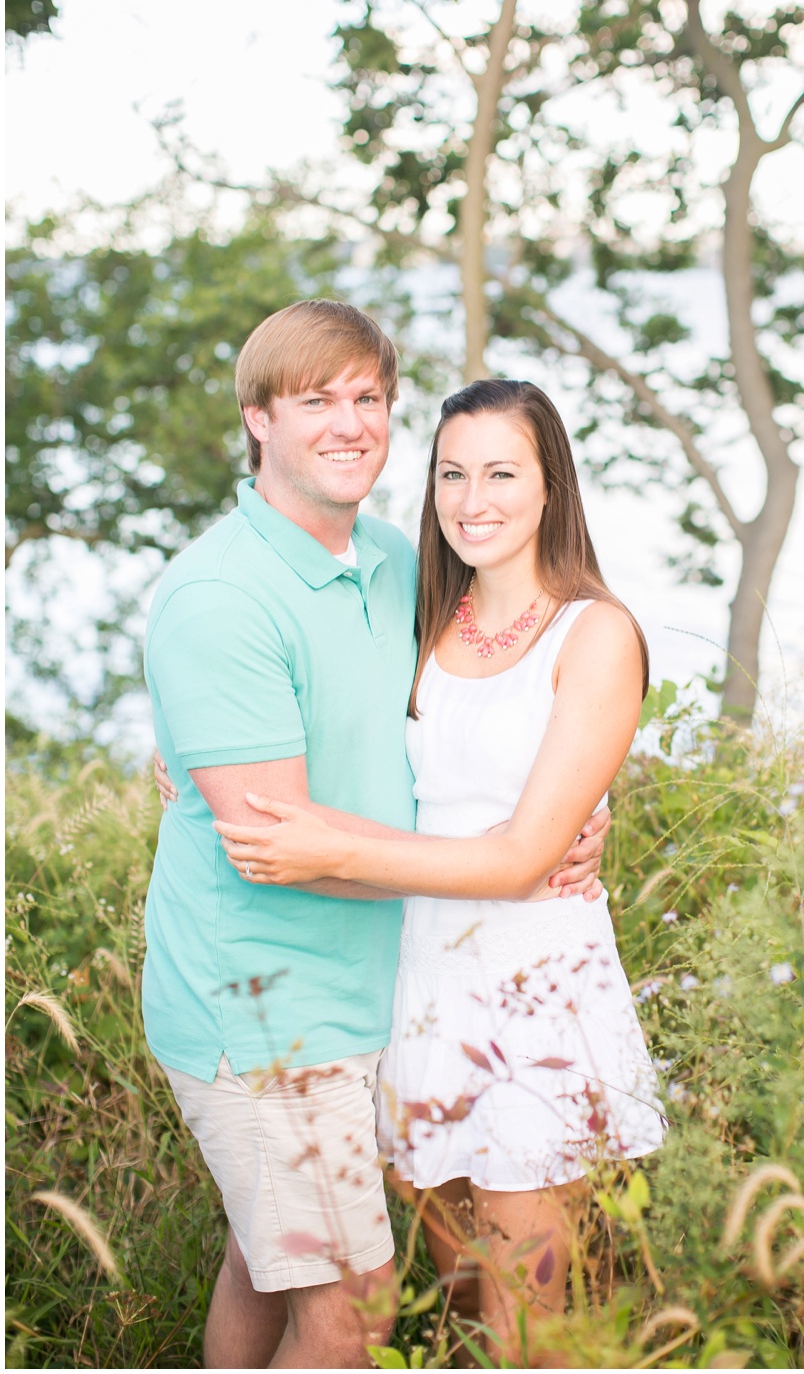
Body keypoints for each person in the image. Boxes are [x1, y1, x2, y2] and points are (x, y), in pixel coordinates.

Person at [142, 301, 607, 1369]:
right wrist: (509, 866)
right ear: (258, 418)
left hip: (371, 984)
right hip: (264, 1006)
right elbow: (277, 842)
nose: (349, 424)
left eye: (368, 399)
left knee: (271, 1268)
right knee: (351, 1305)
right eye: (316, 401)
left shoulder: (397, 560)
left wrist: (574, 804)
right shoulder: (219, 595)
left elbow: (488, 707)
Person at [216, 378, 668, 1367]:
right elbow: (292, 702)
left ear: (552, 484)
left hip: (533, 990)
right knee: (462, 1295)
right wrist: (195, 754)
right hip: (421, 988)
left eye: (502, 471)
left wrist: (332, 850)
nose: (473, 498)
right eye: (452, 473)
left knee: (528, 1326)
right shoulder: (422, 613)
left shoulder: (594, 632)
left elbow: (519, 855)